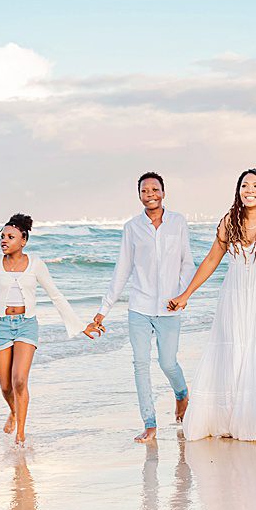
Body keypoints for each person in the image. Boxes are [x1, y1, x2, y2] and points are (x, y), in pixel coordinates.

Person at [168, 169, 256, 441]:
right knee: (233, 352)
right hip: (234, 296)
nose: (250, 190)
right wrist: (186, 293)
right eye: (245, 185)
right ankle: (228, 418)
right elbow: (212, 260)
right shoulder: (230, 221)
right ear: (238, 190)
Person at [84, 172, 194, 443]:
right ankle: (150, 423)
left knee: (168, 363)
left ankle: (181, 395)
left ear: (163, 193)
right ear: (140, 195)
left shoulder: (177, 222)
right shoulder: (132, 227)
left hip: (170, 308)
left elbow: (187, 262)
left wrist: (182, 294)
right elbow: (122, 270)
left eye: (155, 189)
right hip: (140, 307)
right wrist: (103, 310)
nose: (150, 194)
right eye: (145, 190)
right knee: (140, 364)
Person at [0, 213, 84, 447]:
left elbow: (55, 295)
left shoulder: (36, 264)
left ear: (23, 240)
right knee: (6, 387)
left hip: (26, 324)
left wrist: (80, 325)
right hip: (0, 326)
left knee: (19, 381)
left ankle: (20, 434)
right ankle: (14, 411)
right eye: (2, 237)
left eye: (10, 236)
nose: (4, 241)